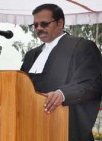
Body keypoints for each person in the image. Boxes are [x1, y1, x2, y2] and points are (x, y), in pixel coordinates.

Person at [20, 4, 102, 141]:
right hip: (33, 128)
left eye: (44, 24)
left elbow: (95, 84)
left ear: (60, 23)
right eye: (35, 25)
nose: (39, 28)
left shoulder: (82, 47)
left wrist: (63, 94)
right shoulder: (31, 55)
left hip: (66, 129)